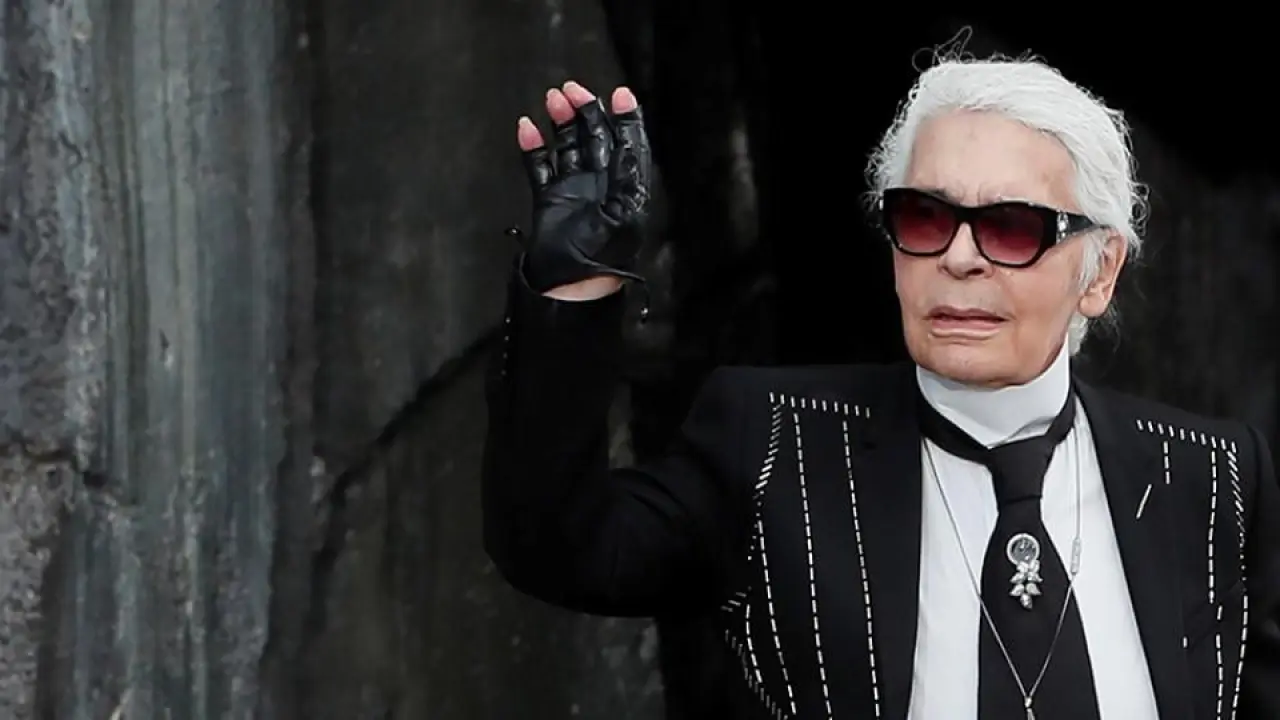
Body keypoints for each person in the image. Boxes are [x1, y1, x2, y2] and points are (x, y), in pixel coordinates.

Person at [482, 60, 1280, 720]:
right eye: (926, 219)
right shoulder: (775, 442)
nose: (959, 259)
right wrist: (572, 285)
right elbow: (558, 545)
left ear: (1099, 272)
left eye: (1011, 228)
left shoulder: (1211, 476)